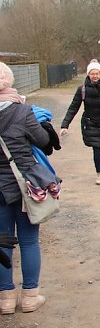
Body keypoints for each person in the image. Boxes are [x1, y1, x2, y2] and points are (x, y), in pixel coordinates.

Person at [0, 61, 50, 314]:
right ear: (10, 82)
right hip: (23, 186)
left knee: (2, 242)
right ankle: (30, 296)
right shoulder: (23, 111)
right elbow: (42, 140)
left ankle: (5, 299)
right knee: (29, 241)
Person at [60, 61, 100, 185]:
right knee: (97, 150)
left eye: (97, 73)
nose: (95, 76)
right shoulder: (82, 90)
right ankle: (99, 174)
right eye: (92, 74)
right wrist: (65, 125)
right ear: (88, 74)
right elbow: (73, 108)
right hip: (90, 122)